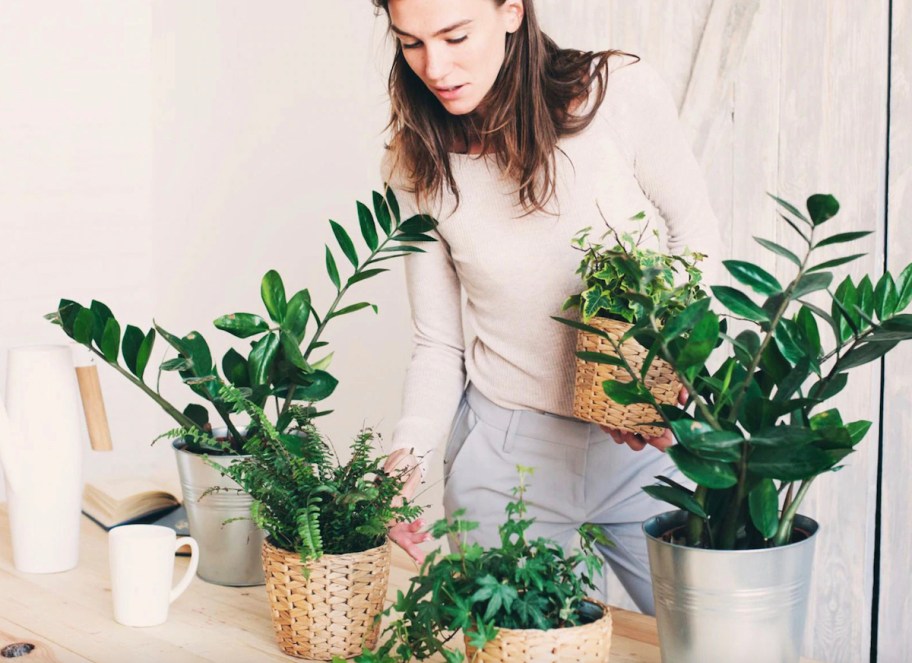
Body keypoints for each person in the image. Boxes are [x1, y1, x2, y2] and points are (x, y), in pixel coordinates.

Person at [373, 0, 722, 615]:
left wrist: (666, 382)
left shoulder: (616, 95)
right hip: (507, 455)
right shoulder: (416, 161)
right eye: (411, 43)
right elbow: (439, 342)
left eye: (456, 36)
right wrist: (407, 459)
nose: (436, 66)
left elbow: (694, 239)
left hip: (645, 452)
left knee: (711, 640)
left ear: (511, 11)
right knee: (511, 648)